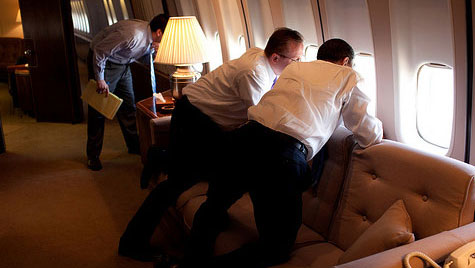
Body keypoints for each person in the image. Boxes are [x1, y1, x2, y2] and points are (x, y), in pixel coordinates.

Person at [184, 38, 384, 268]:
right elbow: (367, 132)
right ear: (346, 61)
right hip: (281, 157)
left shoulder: (296, 67)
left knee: (213, 207)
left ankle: (190, 261)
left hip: (244, 139)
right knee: (275, 249)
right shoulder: (348, 76)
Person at [118, 27, 305, 262]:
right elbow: (261, 118)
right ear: (276, 58)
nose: (299, 64)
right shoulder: (254, 73)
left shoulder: (261, 57)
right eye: (296, 59)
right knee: (177, 183)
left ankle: (163, 157)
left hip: (207, 122)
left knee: (217, 170)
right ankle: (131, 242)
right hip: (194, 121)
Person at [86, 14, 169, 171]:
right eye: (166, 36)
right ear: (159, 32)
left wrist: (154, 52)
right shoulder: (132, 35)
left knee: (128, 105)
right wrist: (100, 79)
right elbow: (99, 51)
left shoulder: (149, 38)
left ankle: (133, 145)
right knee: (99, 109)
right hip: (106, 62)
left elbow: (140, 58)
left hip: (124, 64)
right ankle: (93, 156)